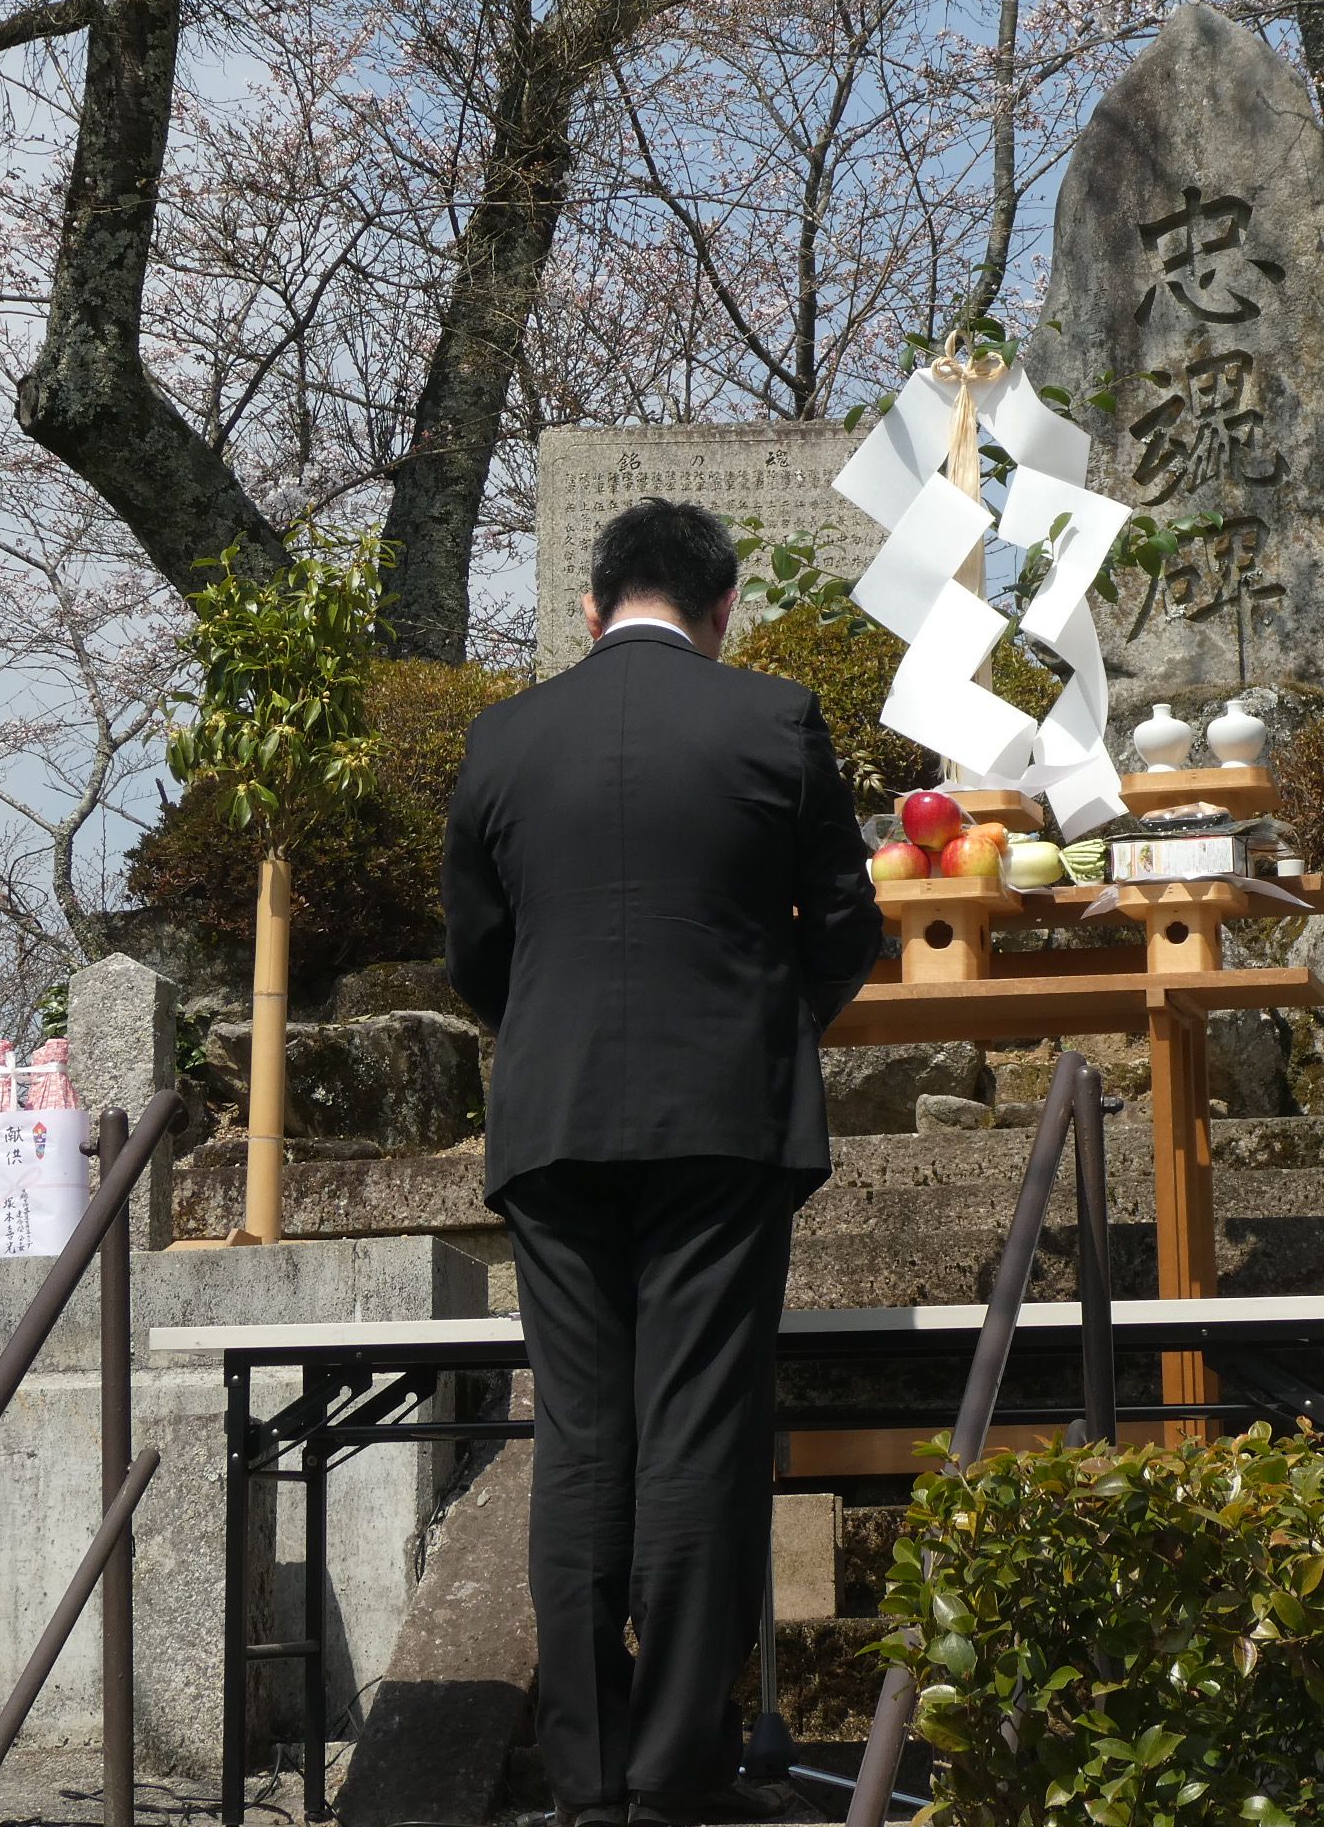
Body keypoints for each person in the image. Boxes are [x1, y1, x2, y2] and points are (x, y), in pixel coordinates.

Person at [440, 497, 881, 1827]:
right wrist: (757, 1025)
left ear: (592, 606)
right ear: (722, 609)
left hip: (554, 1124)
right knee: (697, 1433)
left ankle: (586, 1782)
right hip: (718, 1123)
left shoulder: (505, 737)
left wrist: (561, 1036)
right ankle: (675, 1776)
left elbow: (478, 952)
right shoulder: (773, 720)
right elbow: (848, 927)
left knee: (581, 1440)